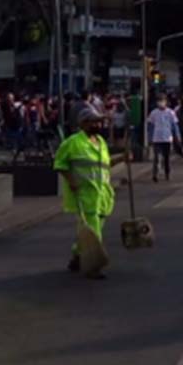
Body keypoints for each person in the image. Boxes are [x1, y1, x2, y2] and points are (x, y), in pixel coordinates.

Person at [55, 106, 115, 275]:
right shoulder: (72, 142)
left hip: (103, 195)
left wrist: (123, 158)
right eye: (95, 121)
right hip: (85, 195)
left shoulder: (101, 142)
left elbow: (105, 165)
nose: (99, 124)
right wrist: (71, 181)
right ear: (84, 123)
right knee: (94, 231)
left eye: (99, 121)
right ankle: (93, 266)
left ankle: (77, 256)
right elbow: (60, 164)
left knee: (91, 231)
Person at [146, 95, 180, 182]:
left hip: (167, 138)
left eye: (162, 101)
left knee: (166, 158)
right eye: (159, 101)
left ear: (166, 102)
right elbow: (150, 126)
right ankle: (155, 174)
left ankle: (167, 173)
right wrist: (149, 137)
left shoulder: (170, 113)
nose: (160, 103)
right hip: (156, 138)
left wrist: (177, 136)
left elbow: (174, 126)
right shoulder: (154, 113)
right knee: (157, 157)